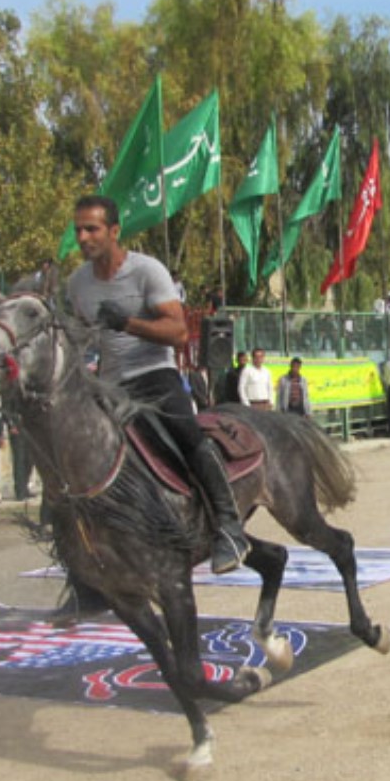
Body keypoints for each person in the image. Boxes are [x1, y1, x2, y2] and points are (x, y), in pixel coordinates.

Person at [65, 193, 249, 573]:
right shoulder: (76, 284)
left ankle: (230, 526)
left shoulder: (148, 271)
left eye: (91, 229)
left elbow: (179, 333)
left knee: (188, 438)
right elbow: (82, 335)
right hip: (110, 385)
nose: (83, 237)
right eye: (78, 229)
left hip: (155, 375)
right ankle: (84, 564)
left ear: (114, 231)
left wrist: (128, 323)